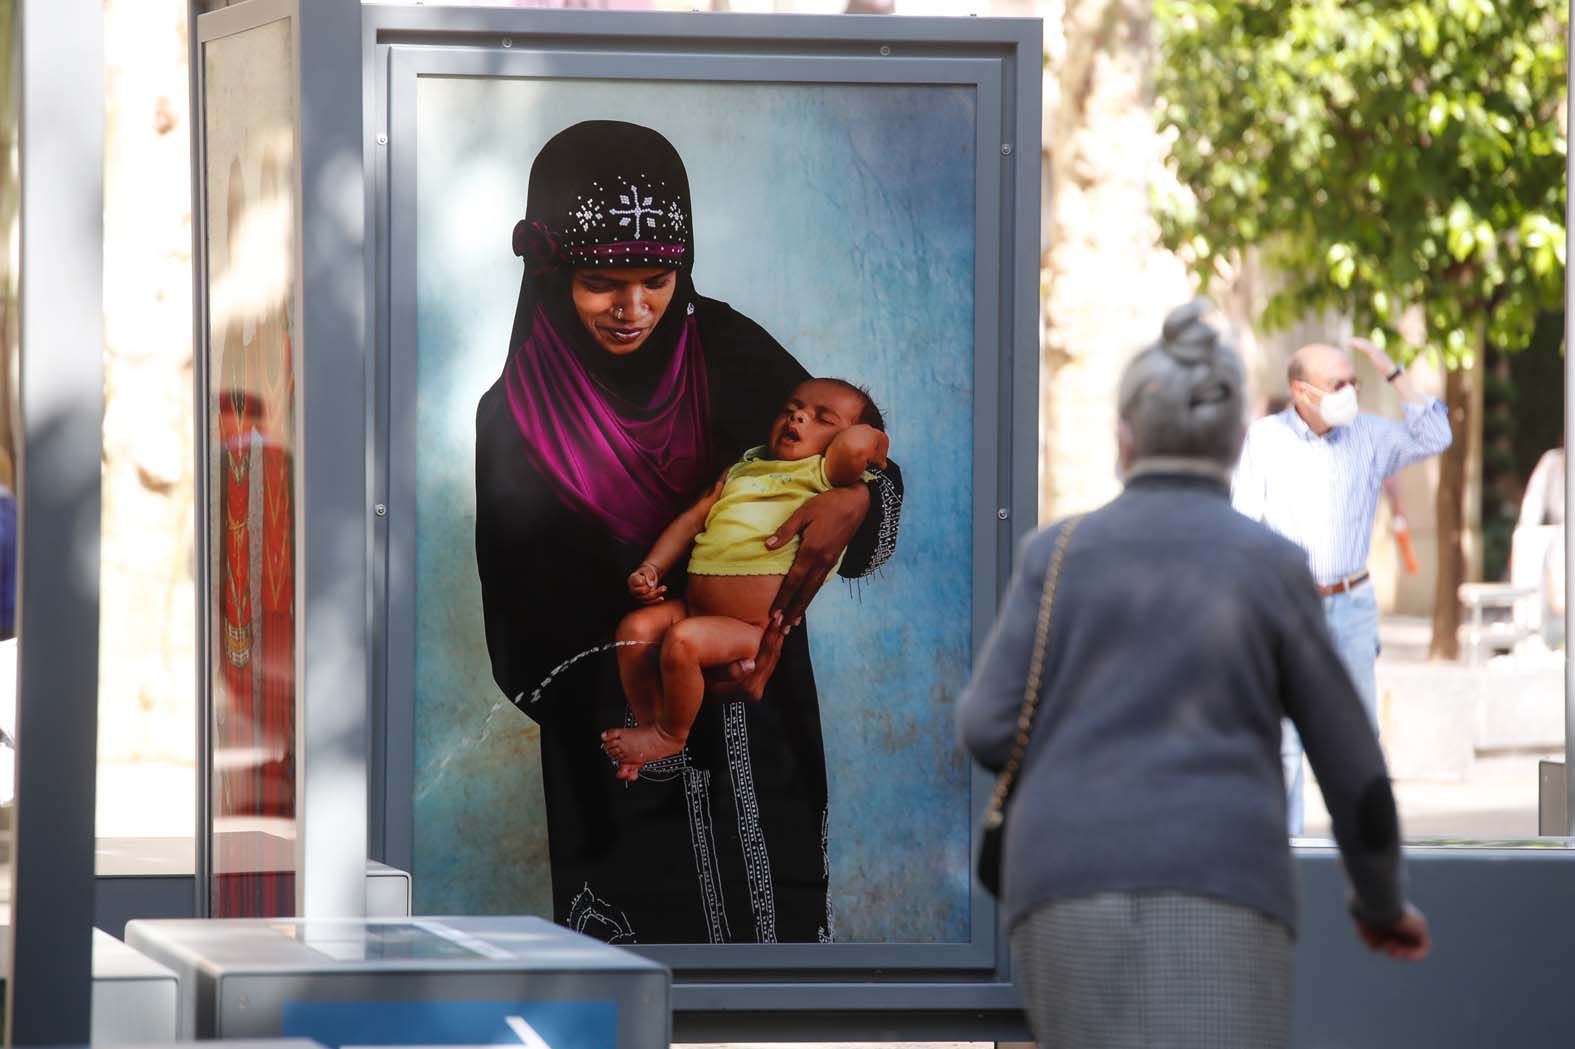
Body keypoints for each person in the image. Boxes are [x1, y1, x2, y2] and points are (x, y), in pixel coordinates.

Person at [957, 301, 1430, 1049]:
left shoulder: (1057, 554)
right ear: (1236, 441)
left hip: (1065, 888)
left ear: (1122, 438)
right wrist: (1380, 902)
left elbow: (985, 725)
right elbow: (1353, 766)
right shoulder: (1272, 568)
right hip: (1226, 882)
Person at [474, 121, 903, 944]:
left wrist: (859, 500)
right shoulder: (514, 421)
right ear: (552, 272)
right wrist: (666, 673)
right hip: (625, 782)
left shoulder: (729, 352)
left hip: (765, 752)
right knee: (633, 1010)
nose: (634, 309)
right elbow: (520, 644)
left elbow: (849, 448)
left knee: (774, 1001)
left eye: (656, 279)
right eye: (604, 283)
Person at [604, 378, 889, 780]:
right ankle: (651, 725)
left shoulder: (825, 477)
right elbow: (691, 521)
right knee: (633, 630)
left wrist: (875, 443)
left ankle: (672, 733)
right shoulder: (745, 468)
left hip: (746, 628)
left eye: (822, 419)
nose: (798, 415)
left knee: (683, 642)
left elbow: (859, 445)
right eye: (792, 407)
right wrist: (652, 567)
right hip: (693, 606)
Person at [1233, 336, 1452, 834]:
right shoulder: (1266, 440)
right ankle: (1285, 857)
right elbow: (1242, 528)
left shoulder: (1370, 436)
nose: (1350, 391)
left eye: (1354, 381)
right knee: (1285, 743)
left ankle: (1364, 862)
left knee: (1356, 738)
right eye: (1338, 383)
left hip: (1351, 606)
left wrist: (1388, 369)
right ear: (1301, 391)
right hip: (1288, 612)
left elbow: (1436, 434)